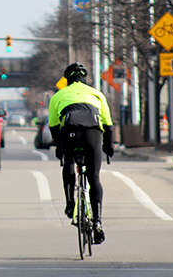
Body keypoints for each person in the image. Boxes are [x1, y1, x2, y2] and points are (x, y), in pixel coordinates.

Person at [48, 62, 114, 244]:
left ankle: (70, 204)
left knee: (69, 163)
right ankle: (98, 221)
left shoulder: (58, 96)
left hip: (69, 132)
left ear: (67, 79)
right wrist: (109, 147)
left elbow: (53, 126)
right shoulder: (97, 94)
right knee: (94, 178)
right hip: (93, 134)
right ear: (85, 79)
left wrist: (60, 148)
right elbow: (108, 125)